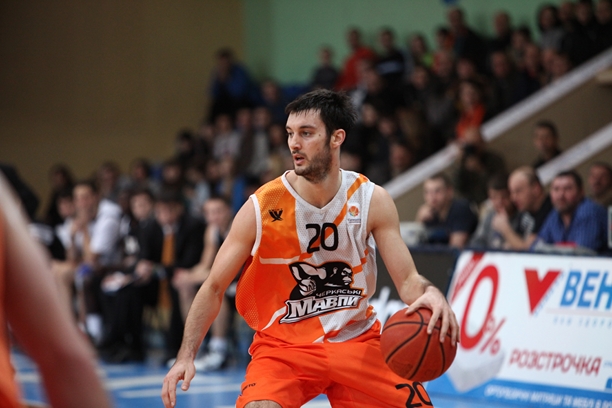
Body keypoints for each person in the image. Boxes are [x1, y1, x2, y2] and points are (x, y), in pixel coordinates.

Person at [162, 89, 459, 408]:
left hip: (357, 340)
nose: (294, 143)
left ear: (337, 138)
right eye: (290, 133)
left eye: (306, 133)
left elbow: (408, 281)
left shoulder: (371, 199)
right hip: (283, 347)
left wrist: (431, 292)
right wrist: (186, 355)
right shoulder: (262, 206)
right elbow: (214, 287)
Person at [0, 174, 112, 408]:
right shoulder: (7, 212)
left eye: (85, 197)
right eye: (78, 198)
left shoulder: (107, 217)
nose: (81, 202)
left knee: (63, 273)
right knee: (59, 273)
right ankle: (76, 326)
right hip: (78, 270)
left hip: (102, 269)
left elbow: (91, 259)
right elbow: (62, 356)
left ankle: (84, 325)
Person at [172, 195, 236, 371]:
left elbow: (232, 269)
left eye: (218, 211)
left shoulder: (237, 228)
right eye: (209, 213)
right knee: (186, 287)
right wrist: (187, 275)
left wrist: (193, 277)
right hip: (226, 279)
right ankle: (195, 346)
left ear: (229, 211)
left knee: (217, 291)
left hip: (246, 281)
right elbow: (205, 264)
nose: (214, 216)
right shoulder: (212, 230)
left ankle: (218, 349)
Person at [535, 170, 608, 254]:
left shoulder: (588, 211)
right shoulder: (555, 214)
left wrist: (551, 248)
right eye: (556, 189)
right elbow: (536, 247)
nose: (560, 195)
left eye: (567, 189)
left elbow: (582, 252)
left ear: (581, 192)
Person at [415, 173, 478, 248]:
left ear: (449, 191)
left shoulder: (461, 209)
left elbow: (455, 248)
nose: (432, 196)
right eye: (427, 192)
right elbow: (416, 245)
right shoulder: (428, 214)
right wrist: (419, 220)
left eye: (437, 191)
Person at [501, 166, 553, 250]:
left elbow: (528, 249)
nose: (513, 198)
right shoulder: (524, 211)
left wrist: (505, 229)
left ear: (536, 189)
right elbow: (509, 245)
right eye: (512, 192)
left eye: (518, 191)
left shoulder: (550, 209)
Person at [469, 174, 519, 249]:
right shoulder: (489, 217)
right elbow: (477, 242)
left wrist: (505, 228)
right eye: (494, 197)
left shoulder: (522, 217)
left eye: (504, 197)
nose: (499, 202)